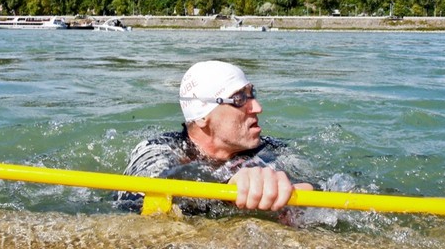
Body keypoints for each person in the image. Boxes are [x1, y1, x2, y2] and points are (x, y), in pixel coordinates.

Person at [117, 60, 312, 214]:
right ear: (202, 116)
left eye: (252, 94)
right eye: (239, 99)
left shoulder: (271, 150)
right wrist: (228, 187)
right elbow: (138, 198)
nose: (257, 107)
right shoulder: (156, 149)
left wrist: (296, 195)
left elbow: (321, 187)